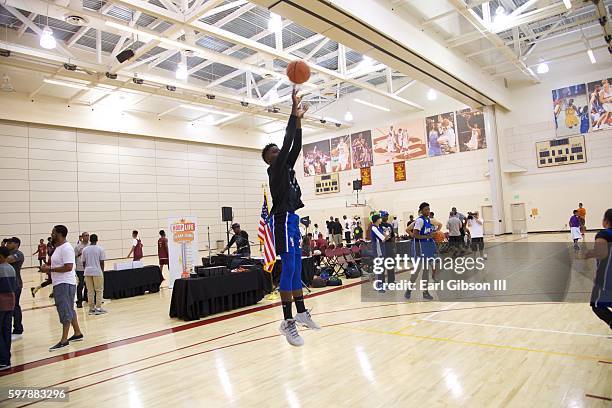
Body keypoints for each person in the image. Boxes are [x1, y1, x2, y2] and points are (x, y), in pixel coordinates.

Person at [261, 87, 320, 346]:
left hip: (293, 219)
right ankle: (287, 322)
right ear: (268, 160)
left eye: (276, 150)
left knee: (297, 269)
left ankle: (302, 312)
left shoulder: (286, 168)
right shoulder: (275, 170)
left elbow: (295, 145)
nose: (277, 152)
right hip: (281, 218)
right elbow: (287, 144)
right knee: (288, 269)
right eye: (271, 152)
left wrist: (300, 121)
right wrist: (292, 112)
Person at [40, 225, 83, 351]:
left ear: (59, 234)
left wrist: (49, 269)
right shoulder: (58, 248)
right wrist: (47, 268)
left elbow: (69, 267)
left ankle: (64, 340)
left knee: (64, 310)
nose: (51, 235)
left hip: (65, 284)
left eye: (53, 233)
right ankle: (77, 333)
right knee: (70, 309)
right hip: (60, 283)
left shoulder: (66, 248)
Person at [581, 209, 612, 329]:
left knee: (597, 304)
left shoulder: (603, 234)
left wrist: (588, 254)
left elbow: (601, 252)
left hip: (607, 280)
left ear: (605, 221)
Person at [406, 203, 435, 300]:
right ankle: (409, 289)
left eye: (429, 209)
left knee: (426, 272)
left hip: (426, 248)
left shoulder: (428, 220)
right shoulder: (419, 221)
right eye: (426, 209)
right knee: (416, 272)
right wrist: (427, 237)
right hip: (419, 249)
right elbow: (415, 235)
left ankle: (425, 292)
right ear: (421, 211)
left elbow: (428, 234)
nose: (428, 211)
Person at [0, 247, 16, 370]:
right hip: (10, 303)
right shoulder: (11, 268)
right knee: (6, 331)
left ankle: (3, 359)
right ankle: (6, 359)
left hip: (1, 304)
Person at [82, 234, 106, 315]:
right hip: (97, 271)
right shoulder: (100, 249)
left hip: (87, 272)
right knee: (99, 290)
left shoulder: (85, 249)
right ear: (97, 240)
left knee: (90, 291)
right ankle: (98, 308)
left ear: (90, 240)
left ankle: (91, 309)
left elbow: (84, 262)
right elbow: (102, 262)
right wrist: (102, 271)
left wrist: (86, 269)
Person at [5, 238, 24, 340]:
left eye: (10, 243)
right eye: (7, 242)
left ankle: (18, 329)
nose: (7, 244)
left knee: (15, 306)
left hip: (15, 284)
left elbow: (8, 260)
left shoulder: (18, 254)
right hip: (7, 284)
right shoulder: (6, 253)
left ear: (16, 244)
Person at [371, 213, 390, 292]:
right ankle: (378, 285)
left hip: (382, 249)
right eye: (380, 218)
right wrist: (386, 234)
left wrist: (386, 234)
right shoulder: (374, 228)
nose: (381, 220)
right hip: (378, 250)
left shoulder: (379, 227)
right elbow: (383, 238)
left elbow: (386, 237)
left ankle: (382, 284)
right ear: (376, 220)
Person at [75, 232, 89, 309]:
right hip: (80, 268)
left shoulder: (90, 246)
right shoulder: (78, 247)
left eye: (88, 235)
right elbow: (74, 256)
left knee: (88, 284)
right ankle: (79, 301)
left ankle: (87, 298)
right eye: (86, 235)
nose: (87, 237)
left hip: (88, 267)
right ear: (82, 237)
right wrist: (79, 254)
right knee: (81, 284)